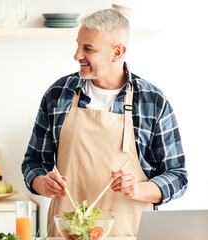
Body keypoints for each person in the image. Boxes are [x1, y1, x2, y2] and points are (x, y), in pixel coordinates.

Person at [21, 9, 188, 237]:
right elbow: (33, 162)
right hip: (67, 232)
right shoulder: (58, 94)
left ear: (117, 52)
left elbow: (177, 176)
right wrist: (41, 182)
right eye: (78, 45)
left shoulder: (152, 101)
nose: (77, 55)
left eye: (88, 48)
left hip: (130, 232)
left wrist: (138, 189)